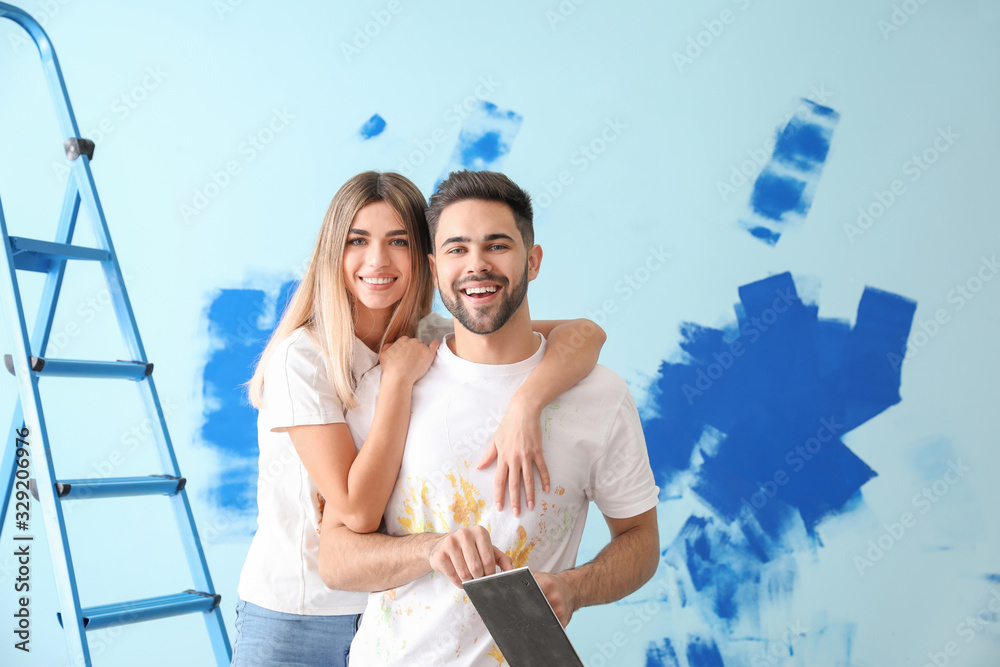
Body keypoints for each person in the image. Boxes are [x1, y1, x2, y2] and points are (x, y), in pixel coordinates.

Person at [231, 171, 607, 666]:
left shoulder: (432, 335)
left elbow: (585, 333)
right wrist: (397, 383)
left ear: (425, 260)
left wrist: (526, 404)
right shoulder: (303, 358)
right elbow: (358, 510)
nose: (377, 261)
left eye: (399, 241)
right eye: (357, 241)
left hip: (391, 610)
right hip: (299, 617)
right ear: (332, 253)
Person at [320, 170, 660, 665]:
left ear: (533, 261)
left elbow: (640, 540)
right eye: (457, 249)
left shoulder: (599, 395)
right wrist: (429, 549)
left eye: (497, 245)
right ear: (435, 269)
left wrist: (574, 588)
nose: (476, 265)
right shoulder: (390, 384)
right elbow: (335, 560)